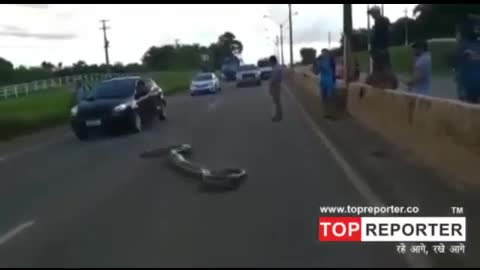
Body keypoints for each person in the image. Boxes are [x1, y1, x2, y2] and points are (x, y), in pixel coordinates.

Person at [368, 6, 391, 71]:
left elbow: (377, 36)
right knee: (384, 68)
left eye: (372, 13)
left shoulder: (380, 21)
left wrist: (374, 48)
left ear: (376, 12)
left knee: (380, 69)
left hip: (380, 50)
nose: (371, 16)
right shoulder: (380, 21)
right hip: (381, 49)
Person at [268, 55, 283, 122]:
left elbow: (274, 79)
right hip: (276, 85)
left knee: (276, 102)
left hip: (275, 86)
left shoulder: (276, 68)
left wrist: (270, 87)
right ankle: (278, 116)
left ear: (272, 61)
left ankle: (278, 116)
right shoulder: (276, 67)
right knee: (277, 102)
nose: (269, 63)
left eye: (270, 61)